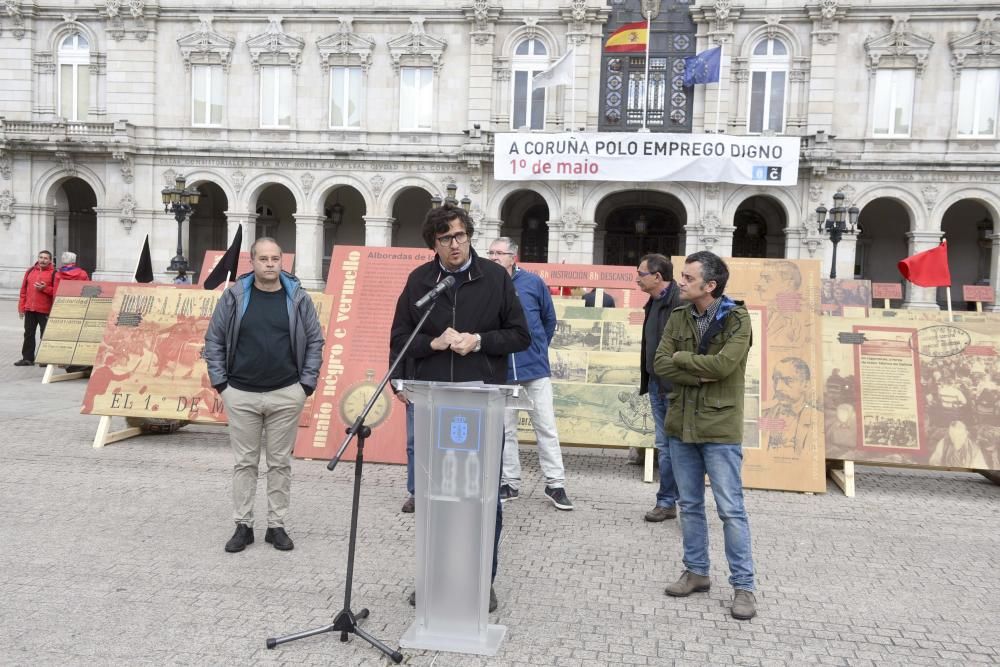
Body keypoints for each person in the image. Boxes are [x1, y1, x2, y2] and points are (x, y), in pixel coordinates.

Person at [390, 203, 530, 613]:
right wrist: (429, 344)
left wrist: (480, 341)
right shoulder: (420, 281)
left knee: (481, 496)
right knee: (435, 496)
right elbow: (400, 337)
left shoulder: (494, 278)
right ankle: (435, 575)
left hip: (480, 402)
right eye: (445, 238)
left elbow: (521, 335)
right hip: (433, 403)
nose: (455, 244)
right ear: (433, 243)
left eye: (460, 235)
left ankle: (481, 580)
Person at [654, 250, 758, 621]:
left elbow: (725, 366)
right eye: (681, 276)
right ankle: (696, 572)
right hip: (681, 424)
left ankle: (744, 587)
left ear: (710, 285)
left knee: (731, 509)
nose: (679, 282)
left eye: (687, 277)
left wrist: (681, 361)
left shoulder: (737, 319)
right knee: (690, 505)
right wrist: (695, 371)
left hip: (719, 427)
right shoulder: (679, 315)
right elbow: (660, 362)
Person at [204, 237, 325, 554]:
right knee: (245, 463)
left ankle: (276, 526)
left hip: (287, 393)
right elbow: (214, 340)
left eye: (275, 258)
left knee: (280, 463)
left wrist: (305, 386)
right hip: (241, 393)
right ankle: (243, 525)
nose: (270, 264)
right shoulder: (233, 297)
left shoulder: (298, 298)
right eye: (264, 259)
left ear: (282, 261)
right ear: (252, 262)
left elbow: (315, 341)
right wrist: (222, 386)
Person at [489, 237, 573, 511]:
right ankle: (509, 482)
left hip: (534, 369)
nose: (493, 257)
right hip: (500, 370)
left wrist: (536, 348)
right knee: (505, 430)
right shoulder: (485, 284)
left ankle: (555, 484)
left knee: (546, 427)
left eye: (499, 253)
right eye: (490, 252)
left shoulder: (533, 283)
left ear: (514, 257)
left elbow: (549, 319)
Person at [636, 253, 682, 522]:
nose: (637, 278)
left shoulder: (679, 302)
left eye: (641, 274)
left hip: (674, 386)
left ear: (657, 277)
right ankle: (669, 501)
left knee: (673, 446)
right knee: (665, 445)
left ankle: (671, 502)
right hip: (656, 383)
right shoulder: (653, 301)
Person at [761, 357, 821, 454]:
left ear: (805, 385)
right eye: (776, 380)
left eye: (788, 380)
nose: (778, 387)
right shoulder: (763, 414)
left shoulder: (818, 420)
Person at [16, 250, 57, 366]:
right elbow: (23, 291)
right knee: (28, 334)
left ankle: (45, 359)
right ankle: (27, 358)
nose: (42, 260)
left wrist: (45, 289)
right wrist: (21, 308)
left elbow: (57, 292)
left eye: (45, 258)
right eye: (41, 257)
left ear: (50, 260)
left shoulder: (54, 273)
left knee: (45, 335)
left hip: (45, 310)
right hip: (30, 309)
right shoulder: (30, 271)